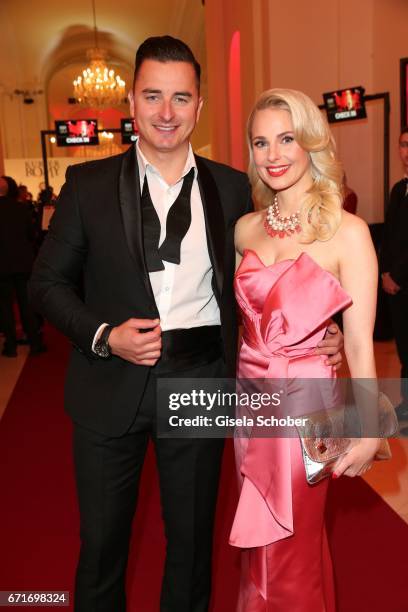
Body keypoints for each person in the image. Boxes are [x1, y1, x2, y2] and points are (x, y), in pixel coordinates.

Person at [30, 38, 343, 612]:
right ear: (131, 101)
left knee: (193, 549)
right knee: (101, 547)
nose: (166, 112)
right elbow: (45, 285)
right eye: (153, 96)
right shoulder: (88, 187)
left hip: (203, 379)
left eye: (180, 97)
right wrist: (104, 335)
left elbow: (284, 269)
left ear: (199, 106)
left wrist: (321, 328)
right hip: (107, 384)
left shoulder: (233, 190)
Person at [229, 89, 381, 611]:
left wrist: (367, 428)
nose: (273, 154)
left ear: (311, 141)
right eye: (260, 142)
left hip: (311, 408)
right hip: (249, 405)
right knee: (259, 545)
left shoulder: (349, 233)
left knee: (291, 545)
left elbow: (359, 342)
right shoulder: (245, 229)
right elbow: (249, 327)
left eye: (286, 138)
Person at [380, 127, 408, 422]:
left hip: (406, 281)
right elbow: (389, 236)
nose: (406, 151)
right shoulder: (398, 189)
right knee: (403, 346)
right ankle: (406, 400)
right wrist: (384, 271)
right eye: (402, 144)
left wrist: (397, 275)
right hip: (394, 283)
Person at [0, 176, 44, 357]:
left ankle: (11, 346)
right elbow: (31, 234)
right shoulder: (21, 208)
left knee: (5, 307)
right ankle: (35, 343)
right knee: (26, 304)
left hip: (1, 266)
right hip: (23, 263)